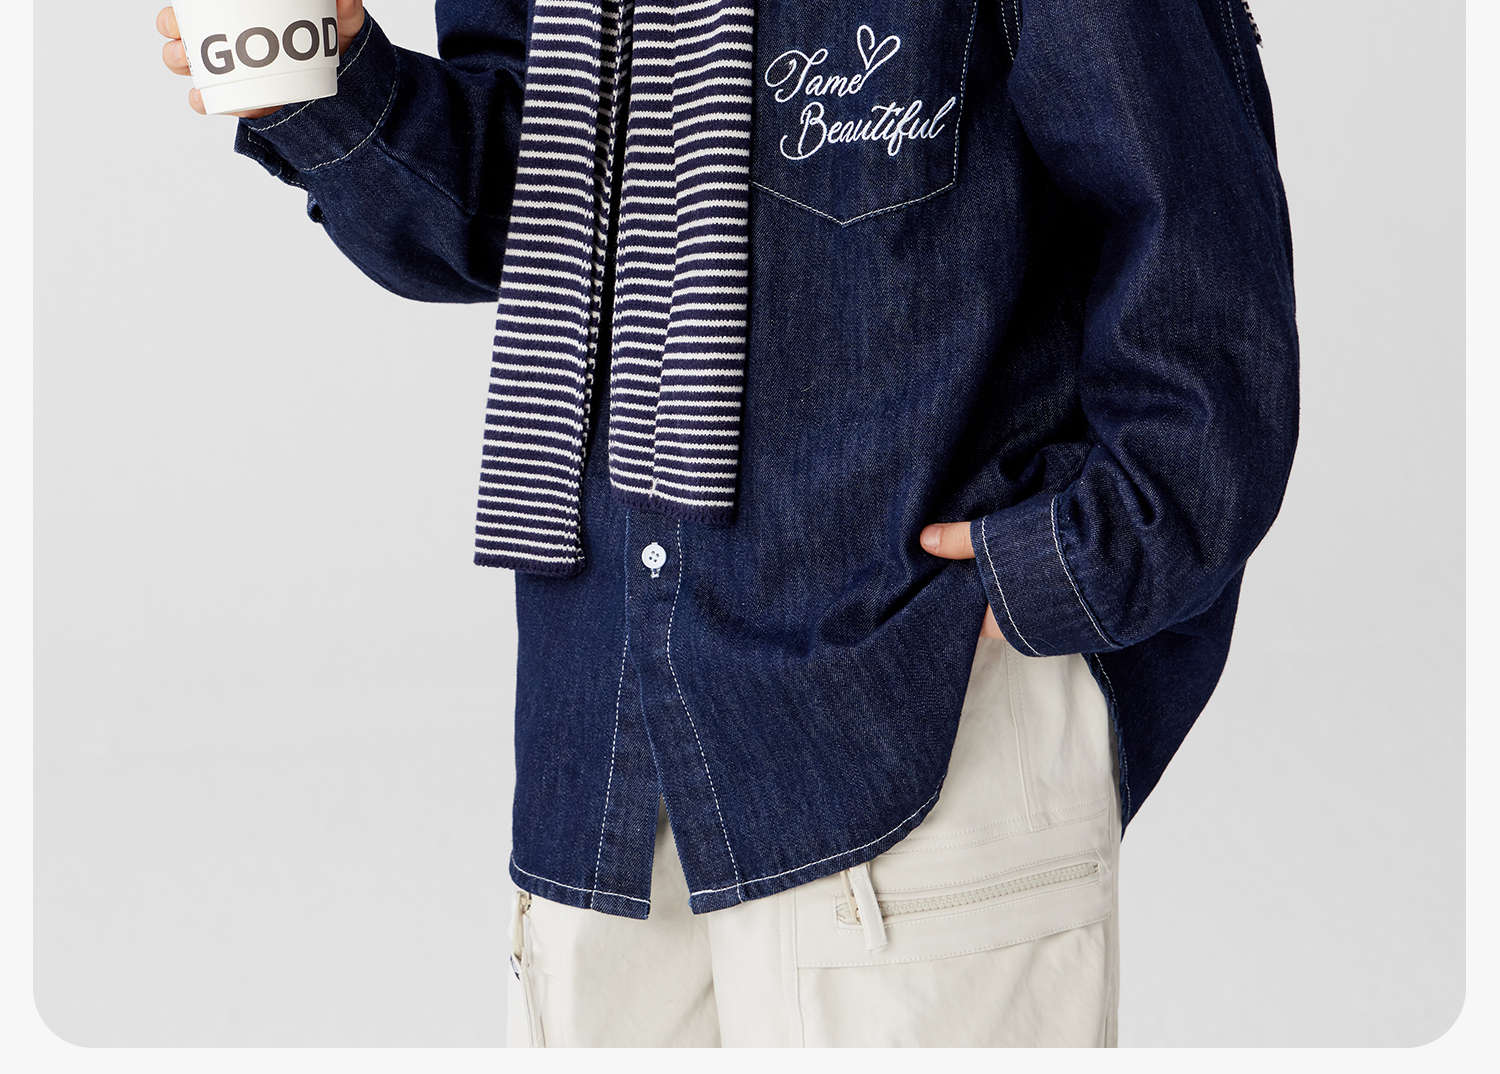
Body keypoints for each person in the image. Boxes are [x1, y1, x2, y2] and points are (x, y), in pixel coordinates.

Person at [156, 0, 1297, 1047]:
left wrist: (1061, 568)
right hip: (604, 757)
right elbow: (532, 198)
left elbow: (1196, 262)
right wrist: (334, 83)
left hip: (911, 711)